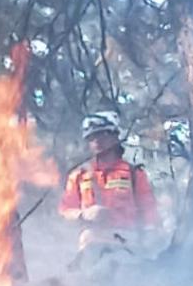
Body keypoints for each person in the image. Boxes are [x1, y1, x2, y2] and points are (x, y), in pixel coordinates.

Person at [59, 111, 158, 271]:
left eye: (102, 134)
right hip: (91, 248)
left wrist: (149, 238)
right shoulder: (79, 175)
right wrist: (83, 214)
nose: (97, 141)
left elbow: (148, 209)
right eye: (91, 137)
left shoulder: (134, 174)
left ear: (115, 136)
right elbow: (65, 211)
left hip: (127, 246)